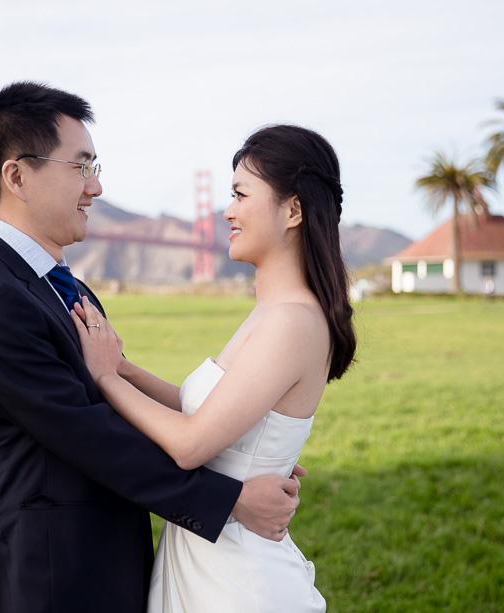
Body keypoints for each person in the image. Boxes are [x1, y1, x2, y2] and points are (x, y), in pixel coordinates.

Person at [0, 82, 304, 613]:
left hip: (113, 563)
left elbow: (118, 411)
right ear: (17, 176)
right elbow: (91, 435)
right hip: (52, 577)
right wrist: (230, 499)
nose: (97, 186)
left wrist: (237, 459)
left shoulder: (66, 287)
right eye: (81, 167)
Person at [72, 124, 357, 612]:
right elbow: (196, 406)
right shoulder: (272, 310)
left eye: (241, 195)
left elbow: (190, 443)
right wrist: (124, 370)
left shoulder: (292, 320)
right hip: (210, 559)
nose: (227, 211)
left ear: (293, 210)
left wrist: (103, 378)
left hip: (238, 580)